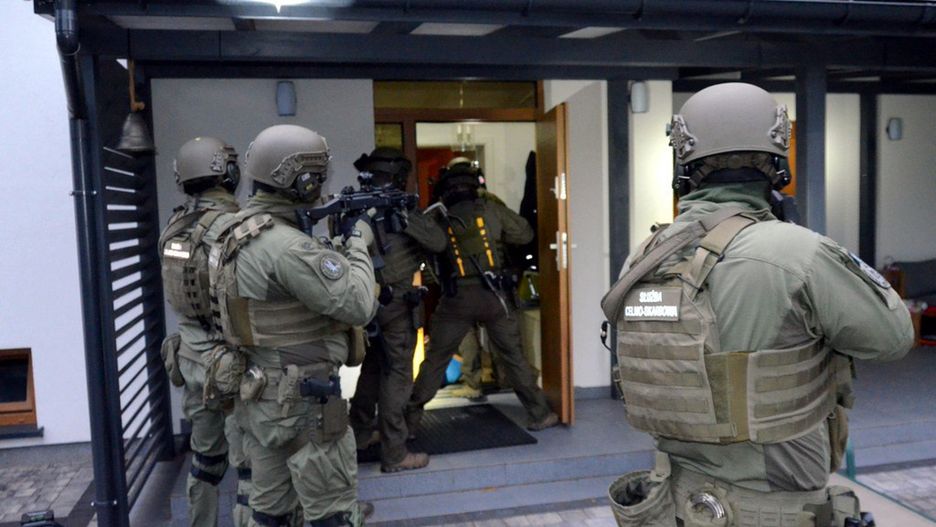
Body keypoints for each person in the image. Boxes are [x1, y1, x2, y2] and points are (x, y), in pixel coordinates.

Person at [601, 82, 914, 527]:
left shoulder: (644, 257)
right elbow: (894, 337)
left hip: (676, 503)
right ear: (777, 165)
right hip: (775, 509)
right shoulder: (798, 252)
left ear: (685, 166)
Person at [208, 124, 377, 527]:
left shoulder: (234, 232)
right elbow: (358, 303)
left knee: (270, 513)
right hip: (305, 404)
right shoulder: (286, 246)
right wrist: (357, 242)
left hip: (261, 395)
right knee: (333, 516)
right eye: (317, 175)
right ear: (301, 180)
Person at [407, 159, 559, 432]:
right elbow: (524, 234)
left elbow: (426, 251)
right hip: (495, 296)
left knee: (436, 360)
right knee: (513, 357)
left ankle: (409, 421)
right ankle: (539, 413)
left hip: (456, 300)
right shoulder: (490, 208)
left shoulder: (439, 216)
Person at [158, 137, 241, 527]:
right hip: (234, 365)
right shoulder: (236, 227)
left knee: (206, 462)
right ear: (228, 173)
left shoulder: (174, 227)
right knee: (252, 468)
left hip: (192, 359)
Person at [347, 147, 447, 472]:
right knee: (397, 377)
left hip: (366, 304)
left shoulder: (355, 208)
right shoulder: (398, 211)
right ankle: (395, 453)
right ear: (398, 178)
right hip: (396, 307)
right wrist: (410, 216)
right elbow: (438, 242)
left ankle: (359, 434)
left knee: (372, 370)